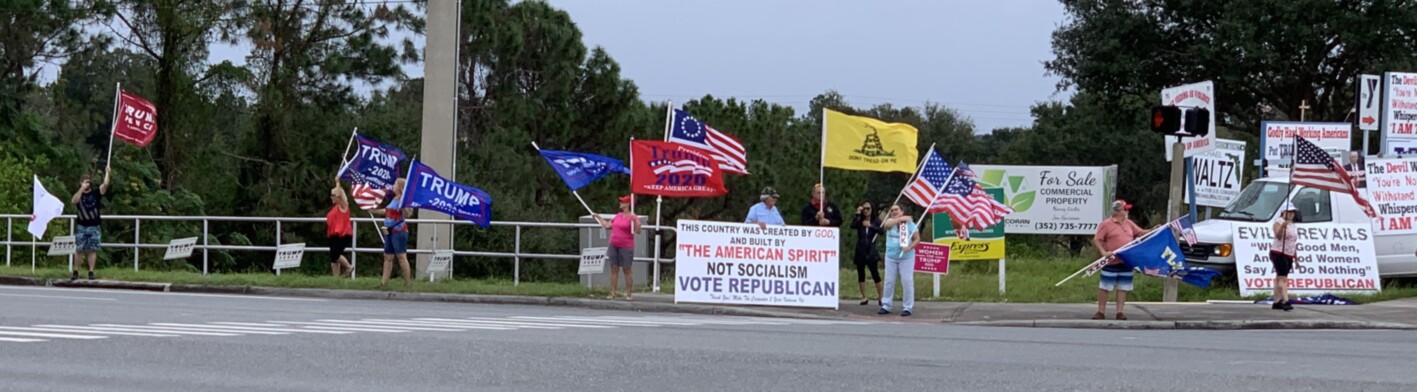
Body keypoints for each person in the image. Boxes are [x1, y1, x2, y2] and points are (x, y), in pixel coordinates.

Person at [1091, 199, 1146, 320]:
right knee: (1105, 286)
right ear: (1118, 211)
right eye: (1125, 209)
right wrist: (1103, 252)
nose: (1127, 212)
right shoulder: (1106, 224)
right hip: (1111, 261)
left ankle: (1120, 312)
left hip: (1126, 261)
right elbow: (1097, 239)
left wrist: (1154, 230)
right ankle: (1100, 311)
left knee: (1123, 287)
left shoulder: (1129, 223)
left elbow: (1141, 233)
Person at [594, 195, 641, 300]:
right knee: (614, 268)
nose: (620, 203)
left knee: (626, 269)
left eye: (623, 202)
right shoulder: (618, 215)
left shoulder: (633, 217)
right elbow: (607, 225)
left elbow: (638, 231)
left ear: (628, 204)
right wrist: (598, 218)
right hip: (614, 244)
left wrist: (635, 221)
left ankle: (629, 294)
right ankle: (612, 293)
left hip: (626, 246)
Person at [879, 203, 920, 317]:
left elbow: (917, 239)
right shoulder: (890, 222)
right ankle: (886, 305)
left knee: (907, 281)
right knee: (889, 281)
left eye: (896, 209)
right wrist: (901, 219)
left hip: (906, 258)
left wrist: (909, 247)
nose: (894, 212)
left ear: (902, 211)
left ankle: (907, 307)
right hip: (891, 257)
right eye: (892, 210)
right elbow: (886, 225)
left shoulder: (910, 224)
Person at [70, 168, 111, 281]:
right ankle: (76, 270)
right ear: (81, 183)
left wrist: (107, 173)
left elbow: (105, 185)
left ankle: (91, 271)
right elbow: (74, 201)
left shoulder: (95, 193)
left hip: (94, 225)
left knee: (92, 249)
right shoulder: (79, 195)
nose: (87, 184)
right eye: (85, 181)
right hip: (82, 225)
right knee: (79, 249)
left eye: (88, 181)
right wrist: (81, 189)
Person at [371, 178, 412, 288]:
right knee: (387, 256)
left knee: (401, 256)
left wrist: (403, 206)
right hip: (387, 229)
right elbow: (387, 211)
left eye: (395, 184)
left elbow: (407, 214)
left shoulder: (404, 200)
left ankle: (407, 283)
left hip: (398, 230)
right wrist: (373, 211)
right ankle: (383, 282)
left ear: (400, 187)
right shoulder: (394, 199)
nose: (393, 185)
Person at [849, 201, 883, 306]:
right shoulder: (860, 220)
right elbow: (852, 225)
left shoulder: (876, 220)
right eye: (864, 209)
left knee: (875, 274)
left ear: (872, 209)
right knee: (861, 273)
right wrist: (857, 214)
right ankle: (864, 296)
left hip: (871, 250)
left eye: (868, 208)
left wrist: (871, 226)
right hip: (861, 249)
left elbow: (881, 231)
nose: (866, 211)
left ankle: (881, 297)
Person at [1270, 203, 1300, 311]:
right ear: (1283, 212)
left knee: (1280, 277)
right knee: (1283, 278)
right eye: (1289, 212)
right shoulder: (1278, 222)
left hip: (1289, 254)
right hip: (1279, 252)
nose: (1291, 214)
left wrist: (1296, 258)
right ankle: (1286, 301)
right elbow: (1278, 236)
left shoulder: (1292, 225)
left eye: (1292, 212)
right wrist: (1283, 226)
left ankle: (1276, 301)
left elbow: (1292, 242)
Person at [326, 176, 354, 278]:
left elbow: (339, 193)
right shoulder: (336, 207)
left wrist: (337, 182)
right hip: (334, 234)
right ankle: (335, 278)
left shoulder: (343, 205)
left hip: (343, 234)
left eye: (333, 195)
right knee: (333, 257)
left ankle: (348, 267)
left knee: (335, 254)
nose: (331, 197)